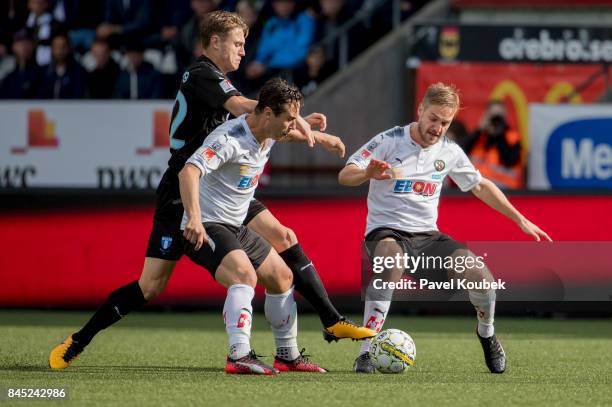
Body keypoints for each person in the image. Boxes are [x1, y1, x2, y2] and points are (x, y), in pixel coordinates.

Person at [49, 10, 373, 370]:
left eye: (244, 44)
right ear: (214, 42)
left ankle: (324, 325)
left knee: (283, 239)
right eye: (237, 43)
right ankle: (78, 340)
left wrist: (312, 133)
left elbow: (263, 122)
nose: (243, 52)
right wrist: (299, 119)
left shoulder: (224, 88)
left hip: (221, 186)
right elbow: (253, 110)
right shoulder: (203, 73)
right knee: (151, 286)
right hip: (184, 191)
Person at [338, 83, 551, 374]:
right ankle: (365, 351)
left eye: (445, 122)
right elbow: (345, 174)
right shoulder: (389, 140)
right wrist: (366, 173)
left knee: (482, 280)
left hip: (428, 238)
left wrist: (520, 219)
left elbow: (480, 185)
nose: (438, 127)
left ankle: (487, 334)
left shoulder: (449, 151)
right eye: (434, 119)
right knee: (392, 260)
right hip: (385, 232)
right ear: (420, 111)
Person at [179, 78, 326, 374]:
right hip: (206, 225)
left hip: (235, 224)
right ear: (268, 113)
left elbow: (286, 134)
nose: (291, 126)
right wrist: (194, 218)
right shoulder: (230, 138)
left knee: (283, 277)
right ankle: (239, 355)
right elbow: (189, 171)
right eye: (289, 119)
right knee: (244, 275)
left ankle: (287, 355)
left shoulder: (268, 132)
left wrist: (322, 136)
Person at [463, 100, 524, 189]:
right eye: (493, 116)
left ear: (505, 117)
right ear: (486, 115)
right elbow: (460, 149)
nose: (496, 120)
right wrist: (479, 130)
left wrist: (498, 135)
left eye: (499, 117)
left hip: (505, 190)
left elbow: (511, 161)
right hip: (477, 188)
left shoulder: (512, 137)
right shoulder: (479, 135)